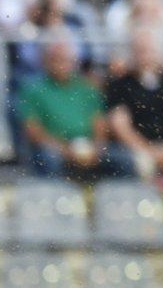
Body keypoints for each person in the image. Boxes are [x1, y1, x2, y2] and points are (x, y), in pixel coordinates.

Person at [19, 34, 132, 179]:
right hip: (55, 148)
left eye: (64, 60)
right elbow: (33, 131)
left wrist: (97, 148)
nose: (60, 64)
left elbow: (100, 124)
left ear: (74, 62)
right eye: (55, 59)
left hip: (89, 146)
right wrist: (65, 150)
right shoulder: (33, 90)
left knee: (125, 160)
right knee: (49, 160)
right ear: (45, 61)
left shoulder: (87, 89)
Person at [104, 27, 163, 178]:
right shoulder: (119, 85)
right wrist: (149, 151)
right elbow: (120, 126)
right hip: (135, 150)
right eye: (139, 50)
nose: (144, 54)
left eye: (148, 49)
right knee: (138, 164)